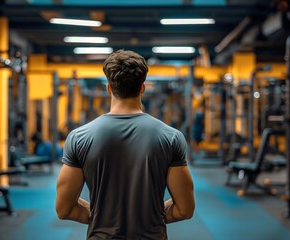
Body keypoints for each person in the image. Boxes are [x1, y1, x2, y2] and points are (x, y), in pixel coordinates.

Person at [56, 50, 195, 239]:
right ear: (142, 88)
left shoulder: (78, 138)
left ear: (108, 88)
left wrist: (102, 216)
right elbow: (184, 209)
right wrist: (149, 216)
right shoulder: (171, 138)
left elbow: (64, 209)